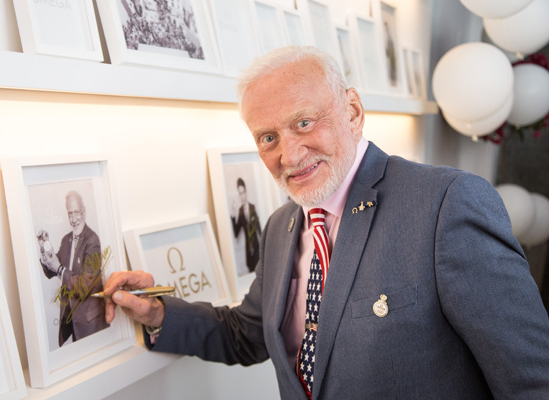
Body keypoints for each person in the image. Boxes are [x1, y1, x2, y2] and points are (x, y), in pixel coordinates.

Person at [103, 46, 549, 399]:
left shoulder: (447, 203)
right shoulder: (281, 226)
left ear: (352, 112)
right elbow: (249, 334)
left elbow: (532, 379)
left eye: (304, 122)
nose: (289, 155)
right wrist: (157, 312)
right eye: (268, 137)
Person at [38, 190, 109, 347]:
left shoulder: (93, 241)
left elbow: (85, 286)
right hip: (73, 322)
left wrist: (60, 269)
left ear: (83, 212)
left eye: (76, 212)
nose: (73, 219)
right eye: (70, 214)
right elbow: (51, 270)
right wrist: (44, 249)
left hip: (90, 324)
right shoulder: (66, 240)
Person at [230, 177, 262, 273]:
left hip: (258, 250)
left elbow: (259, 230)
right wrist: (233, 214)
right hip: (248, 254)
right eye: (240, 194)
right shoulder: (240, 211)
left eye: (243, 192)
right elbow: (236, 233)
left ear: (246, 192)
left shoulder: (253, 207)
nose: (242, 196)